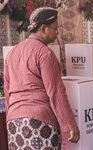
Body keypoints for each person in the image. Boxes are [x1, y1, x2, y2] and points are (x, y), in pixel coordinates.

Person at [4, 7, 80, 149]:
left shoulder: (12, 52)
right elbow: (56, 92)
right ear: (43, 28)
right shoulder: (45, 54)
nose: (57, 33)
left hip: (14, 122)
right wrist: (70, 124)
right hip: (39, 121)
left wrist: (11, 117)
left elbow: (8, 91)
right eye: (55, 29)